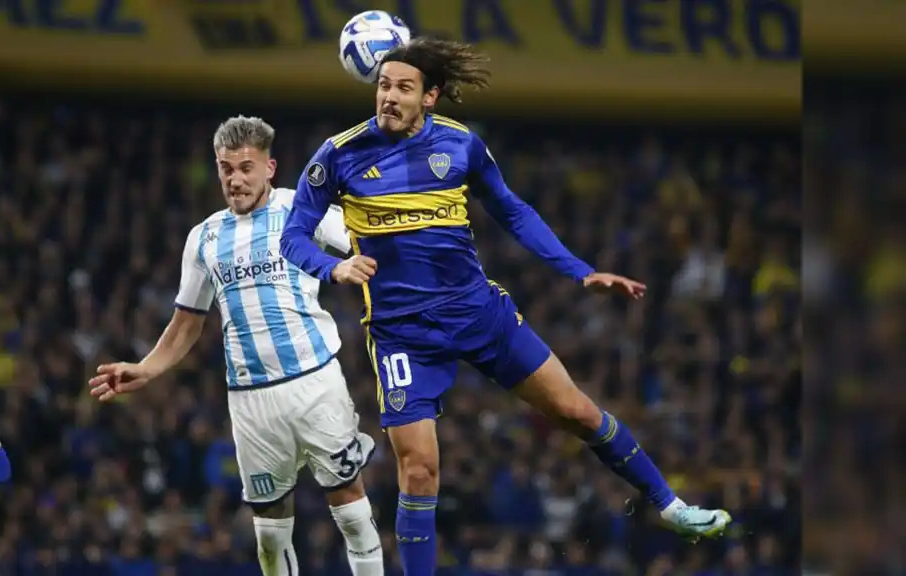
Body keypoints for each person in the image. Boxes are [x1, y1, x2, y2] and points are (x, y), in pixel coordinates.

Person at [280, 38, 731, 575]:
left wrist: (580, 271)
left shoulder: (460, 145)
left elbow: (513, 212)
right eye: (383, 86)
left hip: (477, 312)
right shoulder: (339, 155)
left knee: (577, 412)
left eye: (404, 88)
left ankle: (672, 508)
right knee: (419, 469)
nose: (389, 98)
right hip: (403, 335)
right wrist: (334, 268)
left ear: (431, 97)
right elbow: (294, 237)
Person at [88, 116, 384, 576]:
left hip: (314, 382)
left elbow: (362, 242)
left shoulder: (298, 207)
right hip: (250, 398)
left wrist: (351, 265)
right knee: (269, 532)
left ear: (270, 167)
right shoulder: (204, 237)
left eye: (246, 167)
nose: (235, 179)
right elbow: (187, 323)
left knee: (350, 507)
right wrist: (146, 369)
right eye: (226, 168)